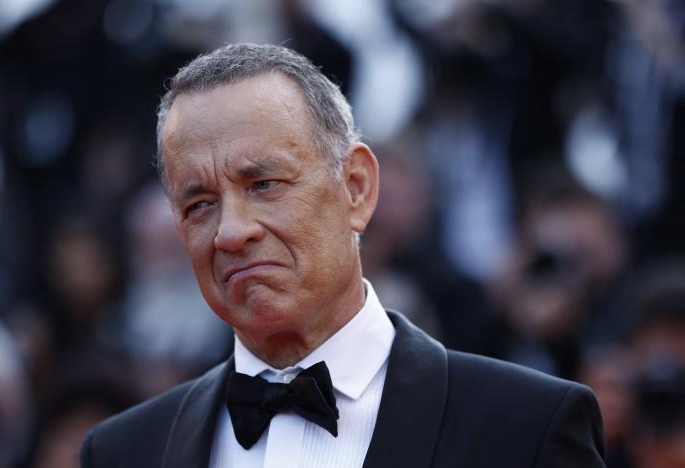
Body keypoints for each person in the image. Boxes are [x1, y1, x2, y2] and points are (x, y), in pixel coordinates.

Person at [80, 43, 605, 468]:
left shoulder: (526, 430)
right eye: (200, 205)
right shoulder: (123, 453)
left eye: (264, 184)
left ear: (356, 188)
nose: (231, 232)